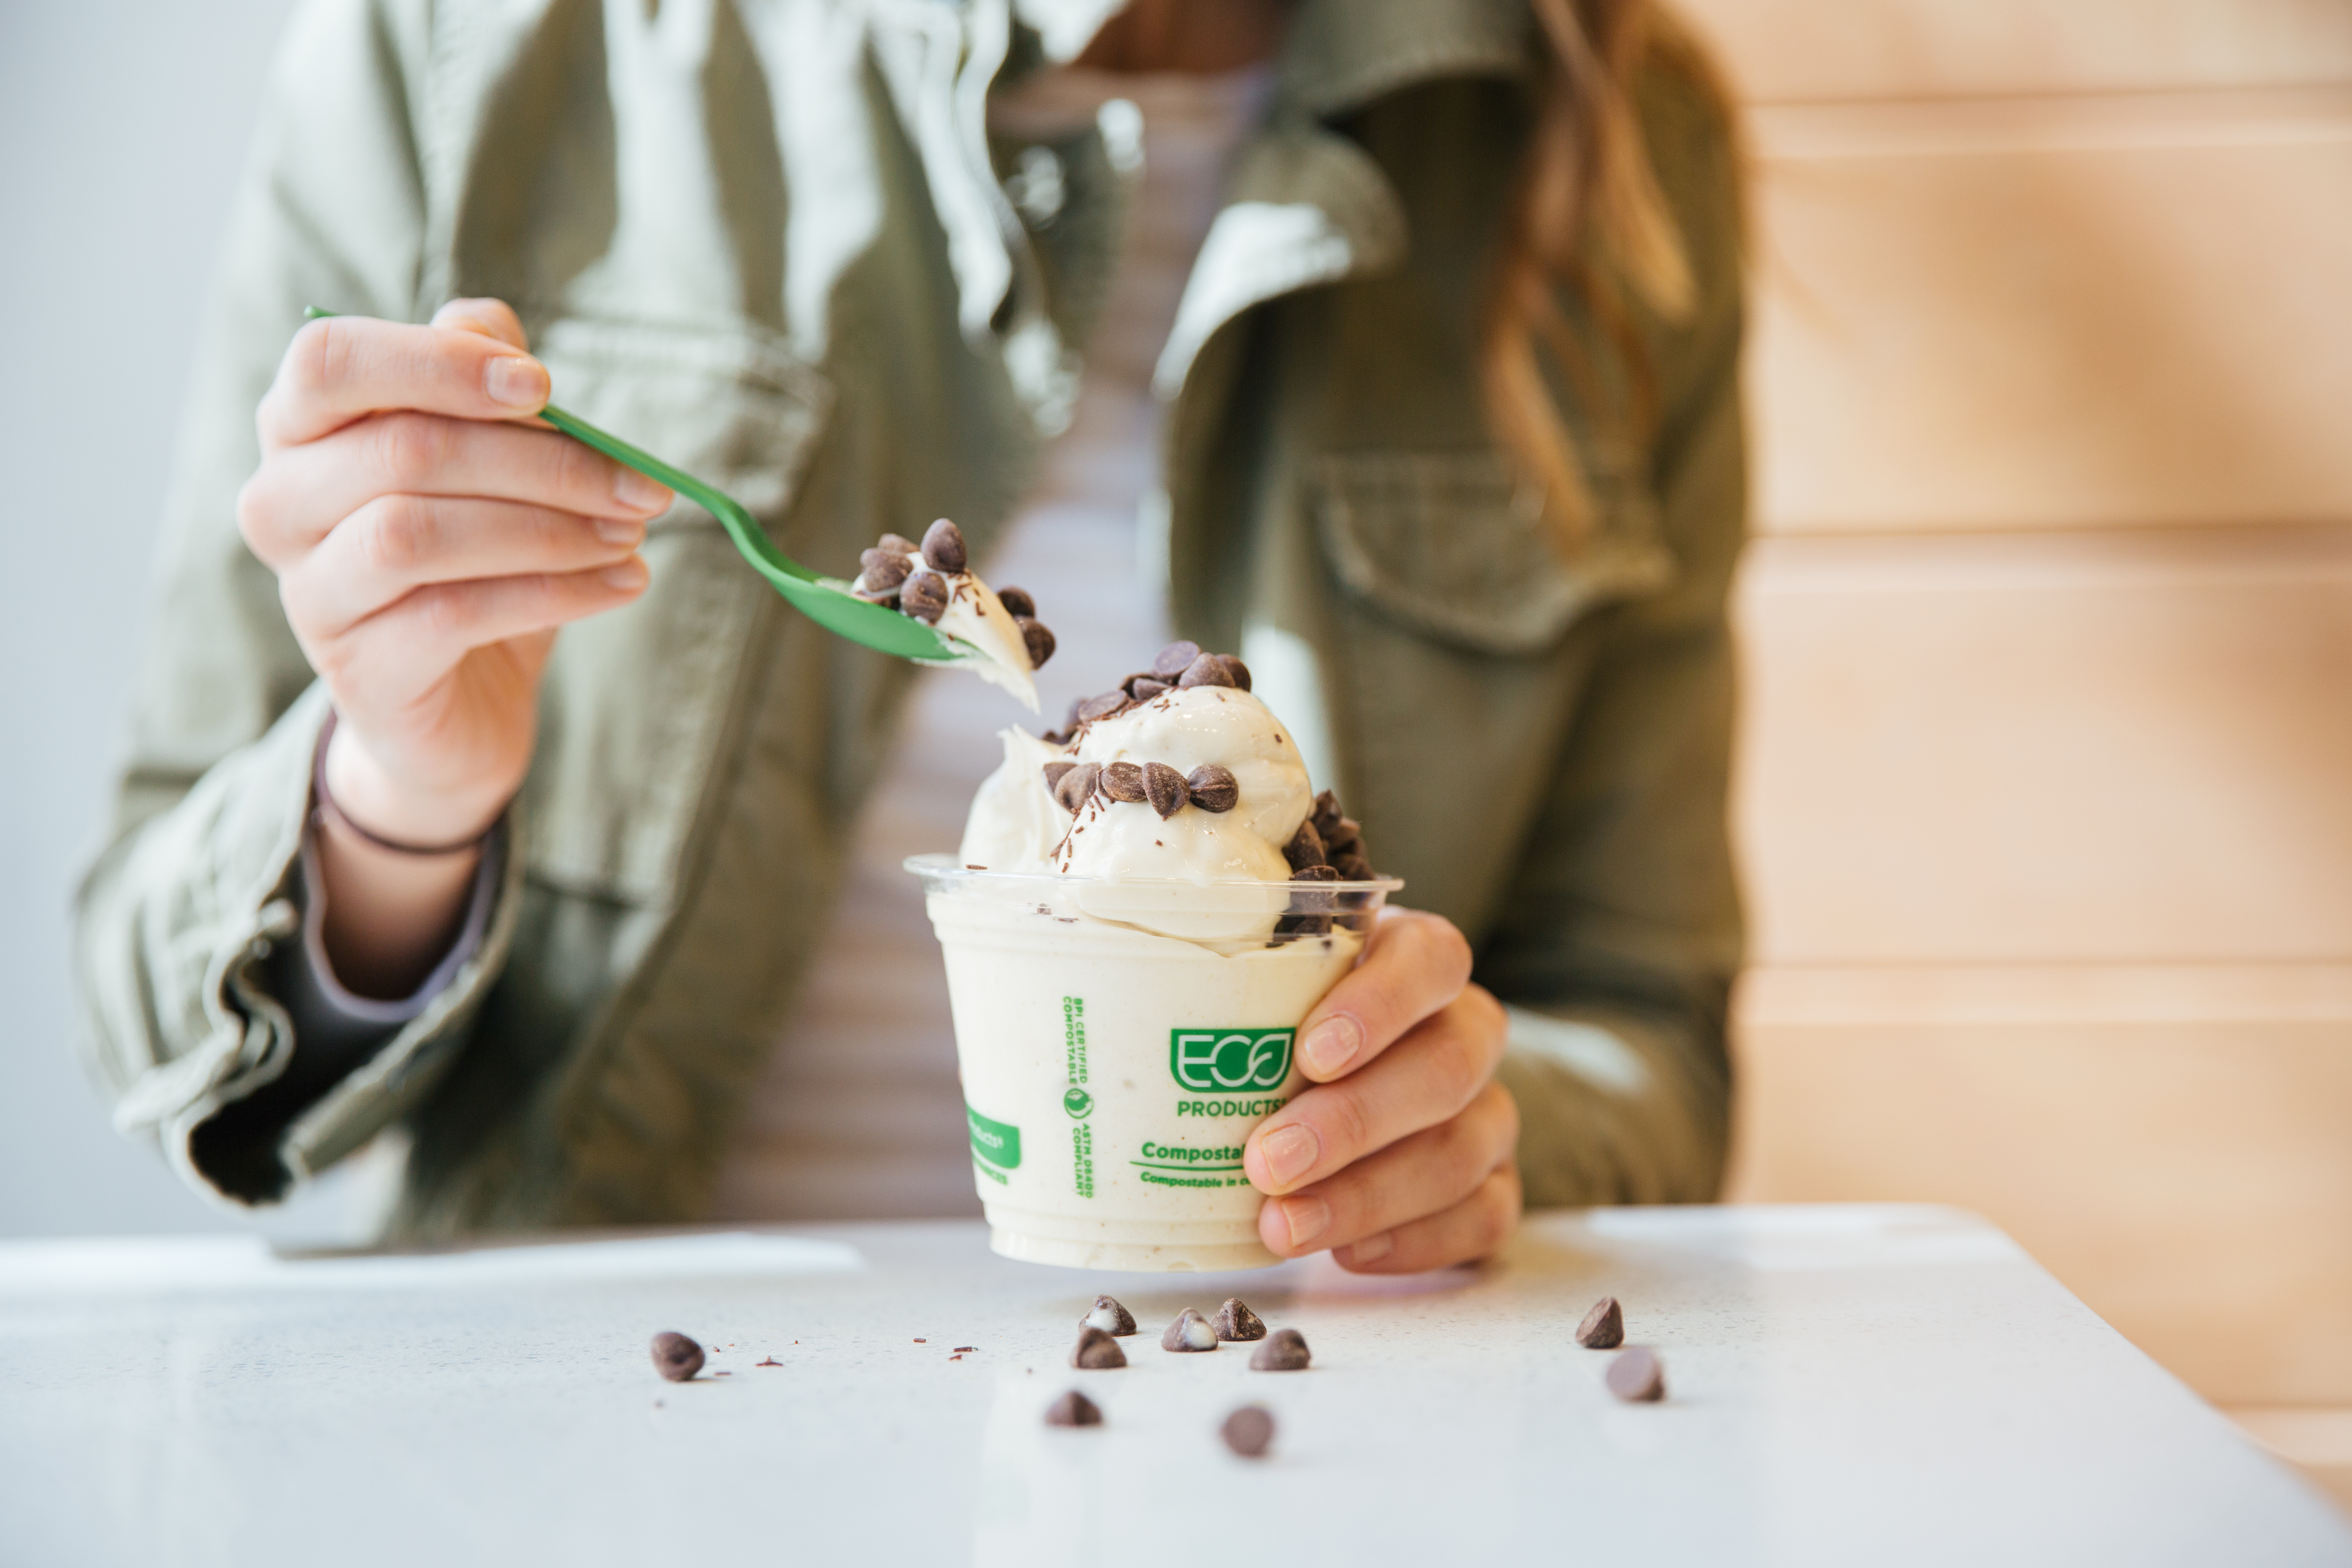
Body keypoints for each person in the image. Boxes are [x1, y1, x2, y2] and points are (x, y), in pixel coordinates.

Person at [73, 0, 1745, 1272]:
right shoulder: (472, 56)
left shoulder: (1602, 150)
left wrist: (1468, 1123)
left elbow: (1641, 1028)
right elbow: (150, 1018)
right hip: (597, 1431)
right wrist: (397, 796)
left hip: (1258, 1420)